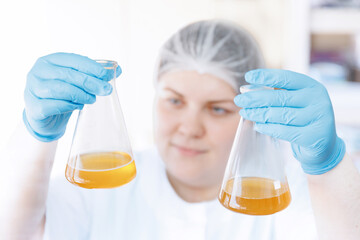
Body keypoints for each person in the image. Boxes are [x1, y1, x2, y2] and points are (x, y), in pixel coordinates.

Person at [1, 20, 359, 240]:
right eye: (174, 101)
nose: (188, 128)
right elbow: (15, 232)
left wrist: (328, 166)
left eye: (217, 109)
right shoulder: (101, 184)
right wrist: (35, 135)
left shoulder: (286, 193)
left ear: (252, 114)